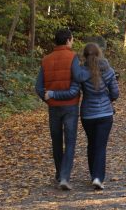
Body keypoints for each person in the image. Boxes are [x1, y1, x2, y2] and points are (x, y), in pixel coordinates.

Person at [46, 43, 119, 190]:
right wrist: (107, 99)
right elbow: (115, 93)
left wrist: (53, 94)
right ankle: (97, 177)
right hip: (105, 114)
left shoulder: (80, 73)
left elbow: (73, 92)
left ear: (85, 56)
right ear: (99, 54)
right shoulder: (109, 71)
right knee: (100, 146)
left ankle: (94, 175)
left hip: (88, 115)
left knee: (92, 144)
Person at [34, 28, 89, 190]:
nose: (72, 42)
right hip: (70, 106)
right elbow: (78, 77)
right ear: (67, 40)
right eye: (72, 40)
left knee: (56, 142)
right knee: (70, 142)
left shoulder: (46, 60)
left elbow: (38, 87)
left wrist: (49, 99)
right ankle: (65, 176)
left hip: (53, 108)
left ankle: (59, 174)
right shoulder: (72, 57)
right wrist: (91, 71)